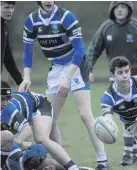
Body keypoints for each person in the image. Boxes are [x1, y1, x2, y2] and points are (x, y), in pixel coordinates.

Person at [18, 2, 110, 169]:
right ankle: (61, 162)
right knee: (50, 119)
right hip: (56, 68)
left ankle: (103, 162)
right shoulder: (31, 21)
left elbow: (80, 50)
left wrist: (67, 78)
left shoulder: (66, 17)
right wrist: (26, 77)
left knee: (85, 114)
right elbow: (27, 52)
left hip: (76, 64)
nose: (49, 1)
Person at [87, 1, 137, 166]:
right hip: (116, 76)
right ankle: (131, 152)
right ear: (112, 10)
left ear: (129, 10)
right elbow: (93, 49)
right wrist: (88, 69)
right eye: (117, 7)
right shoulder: (106, 28)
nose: (120, 10)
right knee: (125, 115)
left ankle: (132, 152)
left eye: (124, 7)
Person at [1, 81, 95, 170]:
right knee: (30, 160)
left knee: (41, 139)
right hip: (25, 114)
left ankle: (73, 167)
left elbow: (27, 130)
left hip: (40, 105)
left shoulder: (7, 110)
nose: (3, 103)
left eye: (5, 99)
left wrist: (20, 145)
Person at [1, 1, 23, 85]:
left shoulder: (4, 27)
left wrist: (20, 81)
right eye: (6, 7)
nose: (10, 11)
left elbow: (7, 58)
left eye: (12, 7)